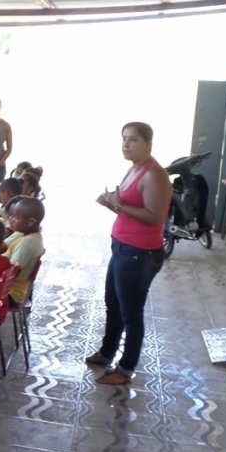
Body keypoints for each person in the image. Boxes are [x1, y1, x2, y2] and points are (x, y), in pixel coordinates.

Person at [88, 122, 169, 385]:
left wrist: (120, 205)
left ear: (148, 144)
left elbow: (154, 216)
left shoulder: (154, 174)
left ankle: (125, 369)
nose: (126, 144)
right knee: (113, 304)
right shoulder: (134, 168)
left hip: (140, 253)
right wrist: (111, 204)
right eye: (124, 138)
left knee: (131, 313)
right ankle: (107, 353)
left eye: (133, 139)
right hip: (123, 248)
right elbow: (127, 208)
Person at [3, 197, 46, 304]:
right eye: (12, 215)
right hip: (14, 291)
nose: (12, 219)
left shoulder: (26, 244)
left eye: (16, 217)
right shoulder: (35, 237)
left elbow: (12, 274)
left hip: (11, 294)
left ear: (30, 222)